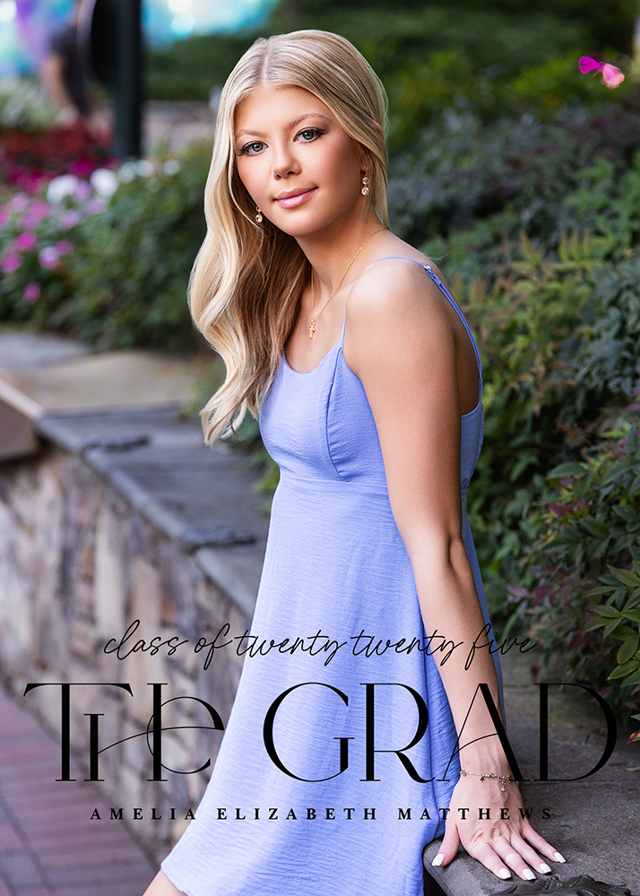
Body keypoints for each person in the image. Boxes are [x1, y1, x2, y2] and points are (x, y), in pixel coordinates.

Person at [143, 29, 566, 896]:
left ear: (364, 141)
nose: (281, 166)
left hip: (374, 690)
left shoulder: (392, 295)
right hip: (297, 681)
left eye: (308, 133)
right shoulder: (296, 289)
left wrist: (485, 761)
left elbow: (439, 545)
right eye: (254, 147)